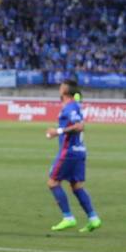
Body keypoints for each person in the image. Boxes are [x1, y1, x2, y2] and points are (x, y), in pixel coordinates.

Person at [44, 79, 101, 233]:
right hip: (79, 151)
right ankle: (93, 218)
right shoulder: (74, 106)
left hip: (69, 152)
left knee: (53, 182)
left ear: (65, 91)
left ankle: (68, 217)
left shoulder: (70, 108)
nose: (59, 88)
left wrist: (58, 131)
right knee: (76, 186)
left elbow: (80, 126)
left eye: (61, 87)